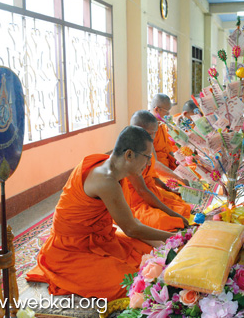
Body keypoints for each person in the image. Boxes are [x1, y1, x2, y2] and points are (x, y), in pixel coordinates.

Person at [26, 126, 175, 300]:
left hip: (98, 238)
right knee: (132, 281)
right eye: (147, 157)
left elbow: (130, 223)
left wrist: (167, 243)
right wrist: (174, 239)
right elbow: (131, 229)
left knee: (152, 253)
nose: (149, 163)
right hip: (71, 249)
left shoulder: (117, 168)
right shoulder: (105, 179)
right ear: (128, 155)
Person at [126, 110, 191, 231]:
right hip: (135, 202)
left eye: (154, 133)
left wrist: (167, 188)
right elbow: (142, 190)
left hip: (150, 191)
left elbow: (152, 175)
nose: (153, 137)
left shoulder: (147, 145)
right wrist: (172, 213)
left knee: (181, 204)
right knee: (164, 220)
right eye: (151, 134)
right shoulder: (130, 154)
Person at [150, 94, 187, 184]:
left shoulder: (161, 125)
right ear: (157, 110)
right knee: (180, 186)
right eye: (167, 111)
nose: (169, 115)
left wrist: (180, 167)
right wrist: (179, 177)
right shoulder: (148, 129)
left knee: (191, 171)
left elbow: (169, 150)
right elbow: (154, 164)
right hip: (158, 173)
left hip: (168, 166)